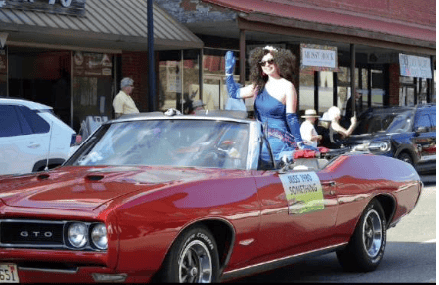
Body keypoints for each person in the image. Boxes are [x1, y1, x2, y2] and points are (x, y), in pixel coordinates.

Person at [224, 46, 317, 168]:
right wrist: (228, 73)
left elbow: (292, 118)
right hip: (257, 140)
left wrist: (299, 142)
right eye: (263, 63)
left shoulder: (287, 86)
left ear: (279, 62)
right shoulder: (258, 86)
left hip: (278, 143)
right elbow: (234, 93)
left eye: (270, 61)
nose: (267, 65)